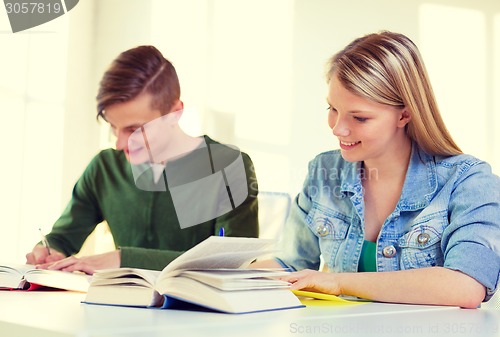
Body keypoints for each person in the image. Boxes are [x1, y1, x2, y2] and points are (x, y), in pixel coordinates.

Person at [252, 31, 500, 308]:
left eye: (359, 117)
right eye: (332, 108)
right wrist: (219, 277)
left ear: (404, 114)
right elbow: (291, 263)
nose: (338, 128)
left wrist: (340, 282)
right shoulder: (324, 170)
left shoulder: (468, 180)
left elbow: (465, 286)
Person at [26, 45, 259, 274]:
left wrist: (122, 259)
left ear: (175, 112)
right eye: (113, 127)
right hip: (118, 306)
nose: (119, 144)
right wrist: (49, 250)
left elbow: (233, 263)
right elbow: (63, 238)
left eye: (134, 129)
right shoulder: (105, 168)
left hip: (203, 311)